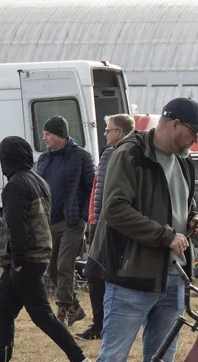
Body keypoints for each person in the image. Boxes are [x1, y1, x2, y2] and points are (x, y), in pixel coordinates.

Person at [83, 97, 198, 362]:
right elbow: (115, 210)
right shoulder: (131, 154)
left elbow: (180, 201)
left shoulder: (184, 160)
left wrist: (191, 217)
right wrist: (165, 235)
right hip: (132, 278)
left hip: (172, 279)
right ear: (174, 125)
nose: (196, 140)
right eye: (193, 133)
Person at [0, 135, 95, 362]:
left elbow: (18, 225)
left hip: (24, 260)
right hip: (34, 256)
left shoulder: (15, 185)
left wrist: (16, 260)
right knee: (3, 311)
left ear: (8, 158)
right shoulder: (37, 179)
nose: (0, 161)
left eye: (1, 157)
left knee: (43, 316)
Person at [76, 114, 134, 342]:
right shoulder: (113, 153)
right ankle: (104, 324)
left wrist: (97, 223)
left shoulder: (117, 154)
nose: (105, 133)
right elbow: (97, 191)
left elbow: (107, 195)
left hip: (106, 225)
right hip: (101, 222)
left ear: (119, 132)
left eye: (108, 130)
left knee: (96, 274)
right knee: (101, 275)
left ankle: (102, 326)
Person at [34, 115, 95, 327]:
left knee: (64, 265)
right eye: (44, 134)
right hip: (50, 221)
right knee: (51, 268)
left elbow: (92, 187)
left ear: (60, 134)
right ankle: (75, 307)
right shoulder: (44, 158)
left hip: (72, 221)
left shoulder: (81, 157)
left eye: (48, 134)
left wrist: (82, 215)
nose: (45, 138)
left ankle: (61, 314)